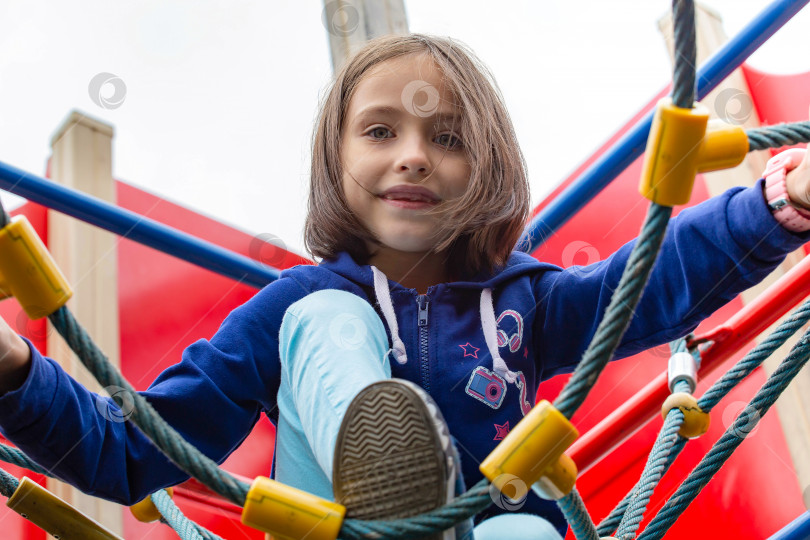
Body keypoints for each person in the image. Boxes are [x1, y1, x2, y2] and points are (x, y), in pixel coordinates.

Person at [1, 33, 809, 540]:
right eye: (381, 131)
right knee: (324, 313)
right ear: (337, 165)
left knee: (521, 534)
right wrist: (16, 375)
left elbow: (650, 282)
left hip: (485, 525)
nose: (414, 155)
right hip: (337, 524)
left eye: (446, 137)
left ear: (484, 167)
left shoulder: (527, 302)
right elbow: (136, 444)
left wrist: (777, 202)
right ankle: (375, 456)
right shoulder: (288, 307)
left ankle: (438, 508)